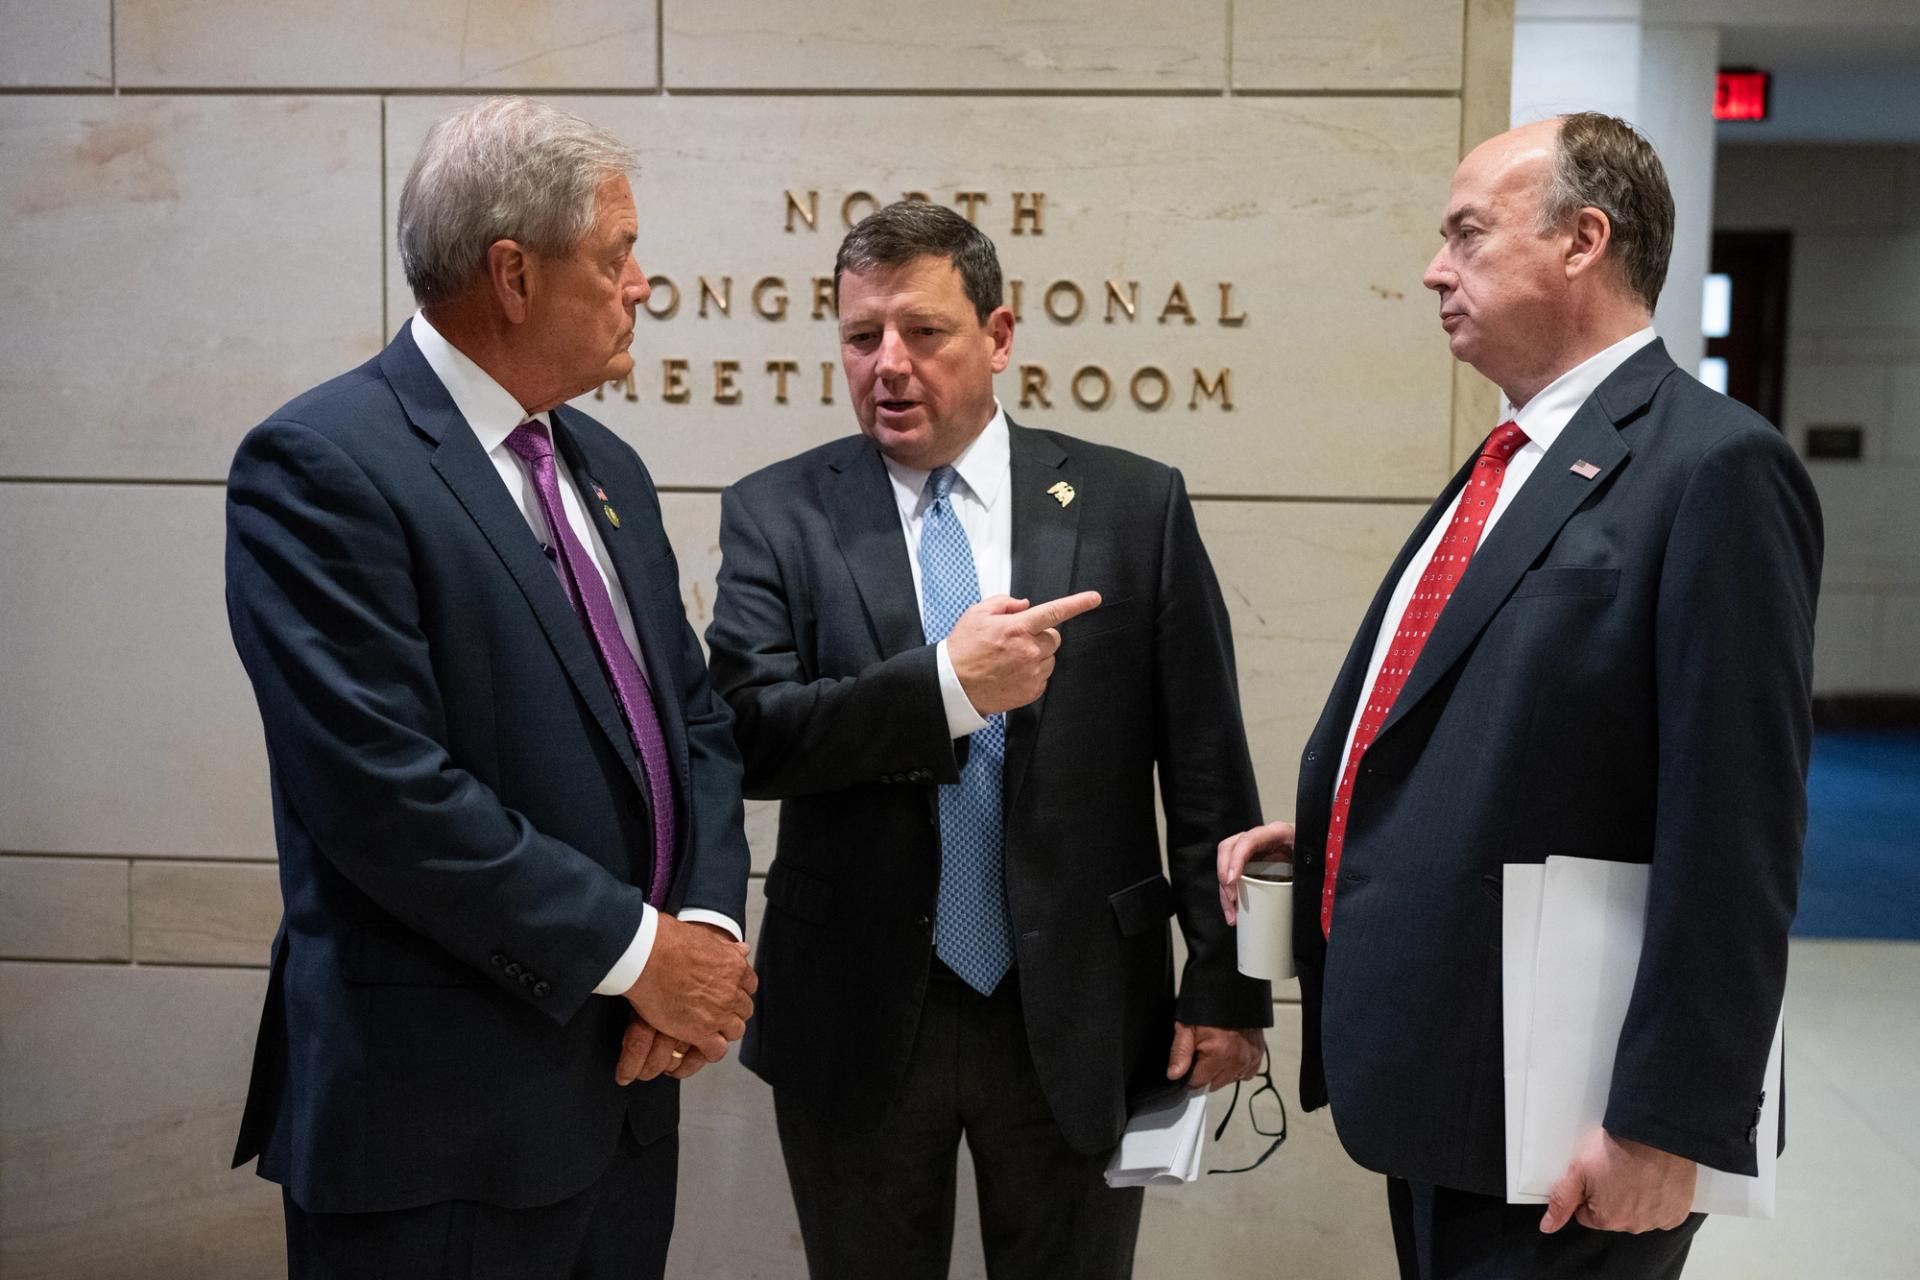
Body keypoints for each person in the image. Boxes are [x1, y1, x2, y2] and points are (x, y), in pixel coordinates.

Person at [1218, 112, 1822, 1278]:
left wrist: (1670, 1120)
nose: (1435, 270)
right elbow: (1520, 730)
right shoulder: (1512, 456)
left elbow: (1738, 830)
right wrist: (1345, 830)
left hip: (1575, 1116)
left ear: (1584, 240)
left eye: (1468, 235)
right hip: (1453, 1082)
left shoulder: (1713, 467)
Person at [224, 97, 756, 1279]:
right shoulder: (322, 466)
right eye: (616, 254)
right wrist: (641, 951)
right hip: (436, 1128)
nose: (641, 285)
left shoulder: (603, 462)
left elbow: (695, 722)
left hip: (619, 1106)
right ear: (513, 274)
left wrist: (706, 933)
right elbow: (385, 794)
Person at [704, 201, 1271, 1278]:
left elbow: (1205, 766)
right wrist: (943, 690)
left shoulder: (1129, 503)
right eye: (861, 336)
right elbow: (749, 734)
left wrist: (1228, 983)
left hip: (1079, 1006)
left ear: (1000, 336)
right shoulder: (777, 512)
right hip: (859, 1003)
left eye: (924, 332)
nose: (889, 365)